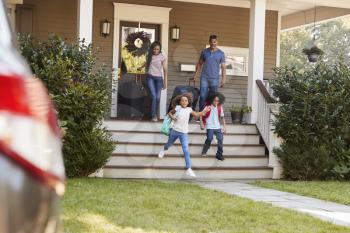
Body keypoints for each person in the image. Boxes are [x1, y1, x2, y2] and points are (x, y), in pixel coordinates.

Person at [158, 93, 211, 177]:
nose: (184, 102)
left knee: (186, 150)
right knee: (168, 144)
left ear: (188, 102)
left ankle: (188, 168)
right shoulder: (177, 108)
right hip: (174, 131)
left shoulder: (189, 109)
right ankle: (164, 150)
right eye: (182, 100)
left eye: (185, 100)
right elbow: (169, 113)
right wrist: (172, 117)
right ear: (180, 102)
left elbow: (197, 114)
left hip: (184, 133)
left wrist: (205, 111)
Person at [194, 34, 226, 111]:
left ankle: (212, 114)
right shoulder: (204, 52)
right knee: (202, 96)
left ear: (217, 42)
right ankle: (201, 115)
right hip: (204, 77)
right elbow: (199, 63)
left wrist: (223, 79)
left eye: (214, 42)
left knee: (214, 97)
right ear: (209, 42)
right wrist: (195, 75)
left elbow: (223, 67)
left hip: (214, 78)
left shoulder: (221, 53)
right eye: (211, 42)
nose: (213, 44)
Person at [138, 41, 168, 121]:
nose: (155, 51)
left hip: (159, 79)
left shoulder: (162, 56)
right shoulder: (150, 55)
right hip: (150, 77)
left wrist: (165, 82)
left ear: (160, 49)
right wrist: (140, 67)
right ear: (152, 49)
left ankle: (152, 113)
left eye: (157, 49)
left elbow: (165, 70)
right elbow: (146, 63)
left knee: (157, 98)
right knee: (154, 96)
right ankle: (153, 115)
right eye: (154, 49)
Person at [200, 92, 226, 161]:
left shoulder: (220, 107)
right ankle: (204, 150)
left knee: (220, 139)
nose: (216, 102)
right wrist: (201, 124)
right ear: (211, 100)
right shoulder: (208, 107)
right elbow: (201, 115)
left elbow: (222, 117)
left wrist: (224, 127)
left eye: (218, 101)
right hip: (209, 126)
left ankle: (219, 155)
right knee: (209, 138)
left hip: (217, 127)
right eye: (215, 100)